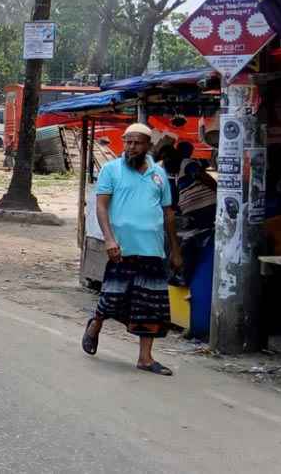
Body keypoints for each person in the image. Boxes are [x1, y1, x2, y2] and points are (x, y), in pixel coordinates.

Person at [82, 123, 182, 376]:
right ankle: (96, 323)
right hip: (122, 247)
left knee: (149, 305)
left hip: (153, 249)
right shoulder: (111, 170)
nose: (131, 147)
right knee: (113, 296)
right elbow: (102, 206)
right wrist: (109, 240)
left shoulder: (159, 175)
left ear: (148, 145)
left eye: (136, 143)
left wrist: (175, 250)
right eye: (127, 142)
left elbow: (168, 213)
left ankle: (145, 358)